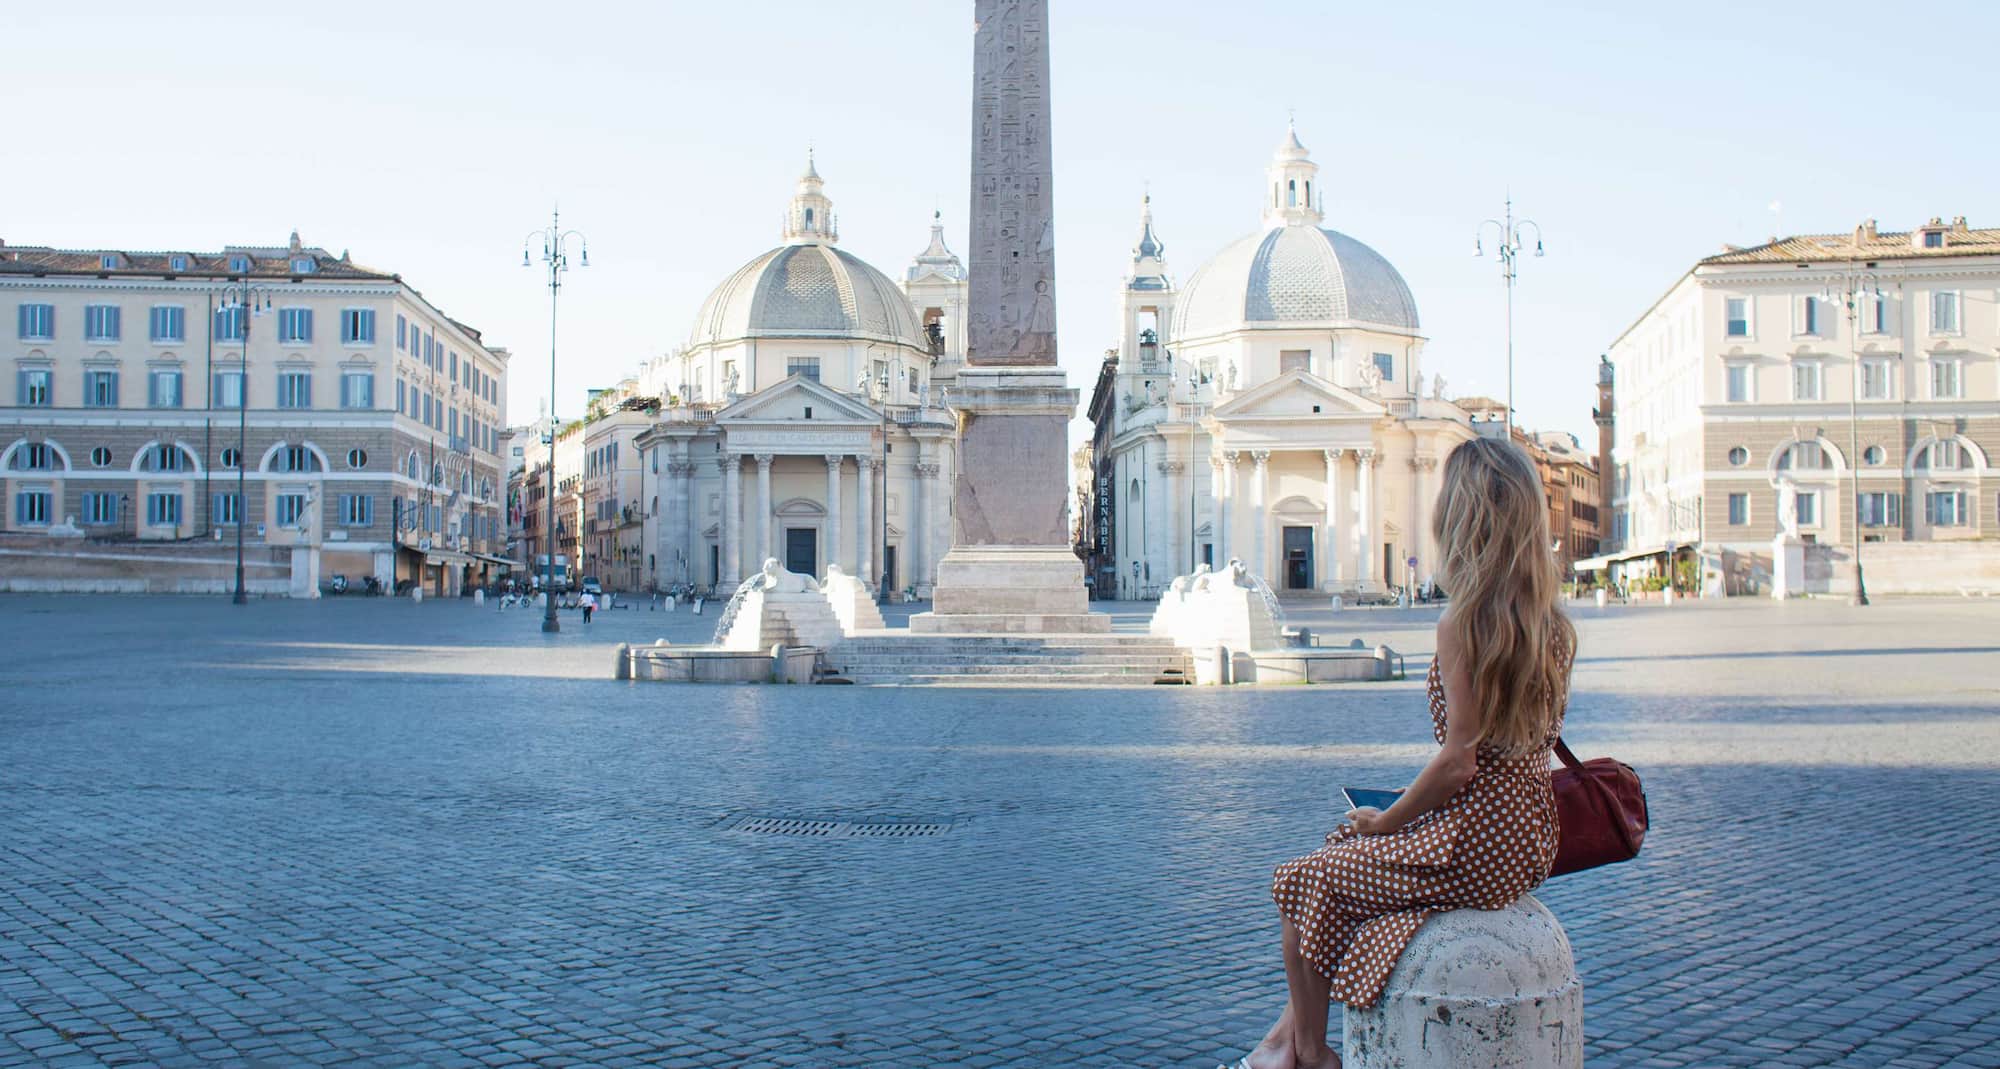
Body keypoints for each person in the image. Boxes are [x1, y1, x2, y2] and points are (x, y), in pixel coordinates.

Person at [1225, 437, 1576, 1069]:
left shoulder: (1462, 624)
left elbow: (1461, 759)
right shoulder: (1551, 621)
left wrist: (1391, 819)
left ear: (1462, 518)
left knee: (1297, 880)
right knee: (1339, 842)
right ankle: (1289, 1039)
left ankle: (1307, 1053)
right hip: (1530, 835)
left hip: (1477, 842)